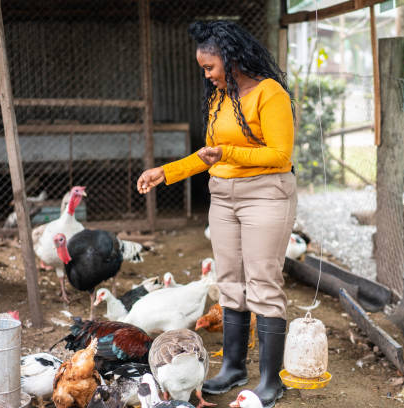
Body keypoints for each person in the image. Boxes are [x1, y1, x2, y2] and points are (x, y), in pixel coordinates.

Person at [136, 20, 296, 408]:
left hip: (266, 196)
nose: (206, 75)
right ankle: (234, 369)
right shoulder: (220, 98)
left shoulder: (268, 93)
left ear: (231, 57)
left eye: (210, 67)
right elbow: (210, 154)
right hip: (223, 196)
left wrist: (229, 154)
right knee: (228, 283)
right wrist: (166, 171)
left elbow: (280, 155)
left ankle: (271, 381)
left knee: (263, 284)